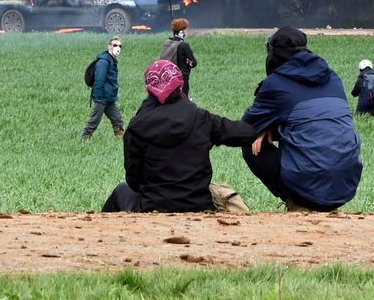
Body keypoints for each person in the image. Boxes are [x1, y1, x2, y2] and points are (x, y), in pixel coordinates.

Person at [103, 60, 258, 213]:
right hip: (199, 206)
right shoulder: (202, 118)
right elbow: (246, 133)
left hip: (153, 207)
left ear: (148, 88)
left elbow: (133, 180)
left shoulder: (136, 127)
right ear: (180, 85)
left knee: (121, 190)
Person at [240, 27, 362, 211]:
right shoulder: (332, 77)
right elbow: (312, 121)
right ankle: (318, 203)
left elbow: (245, 127)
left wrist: (266, 128)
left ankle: (296, 203)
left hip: (307, 187)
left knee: (250, 142)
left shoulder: (275, 84)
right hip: (345, 184)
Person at [81, 37, 125, 140]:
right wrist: (99, 98)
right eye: (115, 45)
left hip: (109, 98)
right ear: (109, 46)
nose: (117, 48)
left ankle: (121, 141)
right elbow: (99, 80)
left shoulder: (111, 61)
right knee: (94, 122)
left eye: (119, 46)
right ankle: (82, 141)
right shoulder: (104, 62)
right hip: (102, 98)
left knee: (117, 120)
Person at [159, 17, 197, 96]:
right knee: (183, 98)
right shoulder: (184, 45)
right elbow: (194, 63)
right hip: (181, 78)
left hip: (168, 77)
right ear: (181, 32)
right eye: (185, 29)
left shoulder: (167, 43)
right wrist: (188, 63)